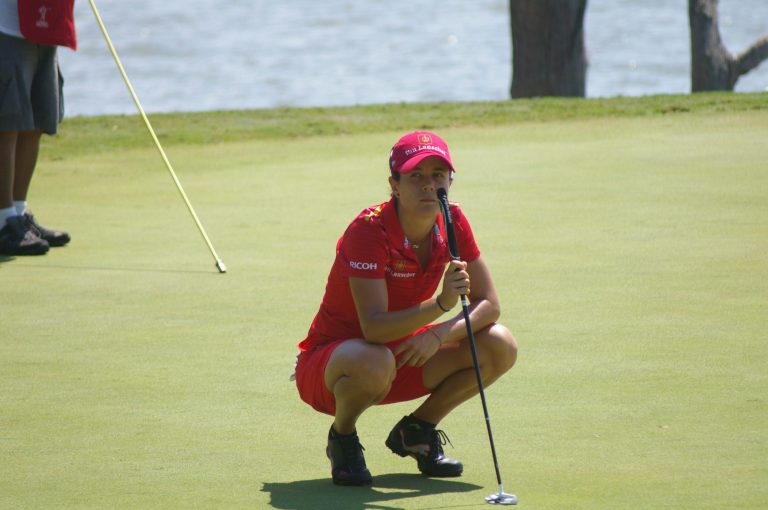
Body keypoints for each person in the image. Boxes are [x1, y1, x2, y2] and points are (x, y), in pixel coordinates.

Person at [294, 131, 518, 486]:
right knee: (373, 358)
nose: (429, 185)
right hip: (333, 365)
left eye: (438, 175)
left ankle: (417, 431)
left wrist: (439, 333)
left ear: (450, 180)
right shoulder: (368, 230)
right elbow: (374, 330)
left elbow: (489, 304)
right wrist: (442, 305)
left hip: (403, 354)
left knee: (499, 344)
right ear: (394, 185)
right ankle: (343, 438)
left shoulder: (453, 219)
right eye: (416, 176)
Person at [0, 0, 73, 256]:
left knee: (36, 123)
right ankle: (3, 221)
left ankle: (18, 215)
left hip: (45, 25)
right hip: (5, 28)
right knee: (7, 126)